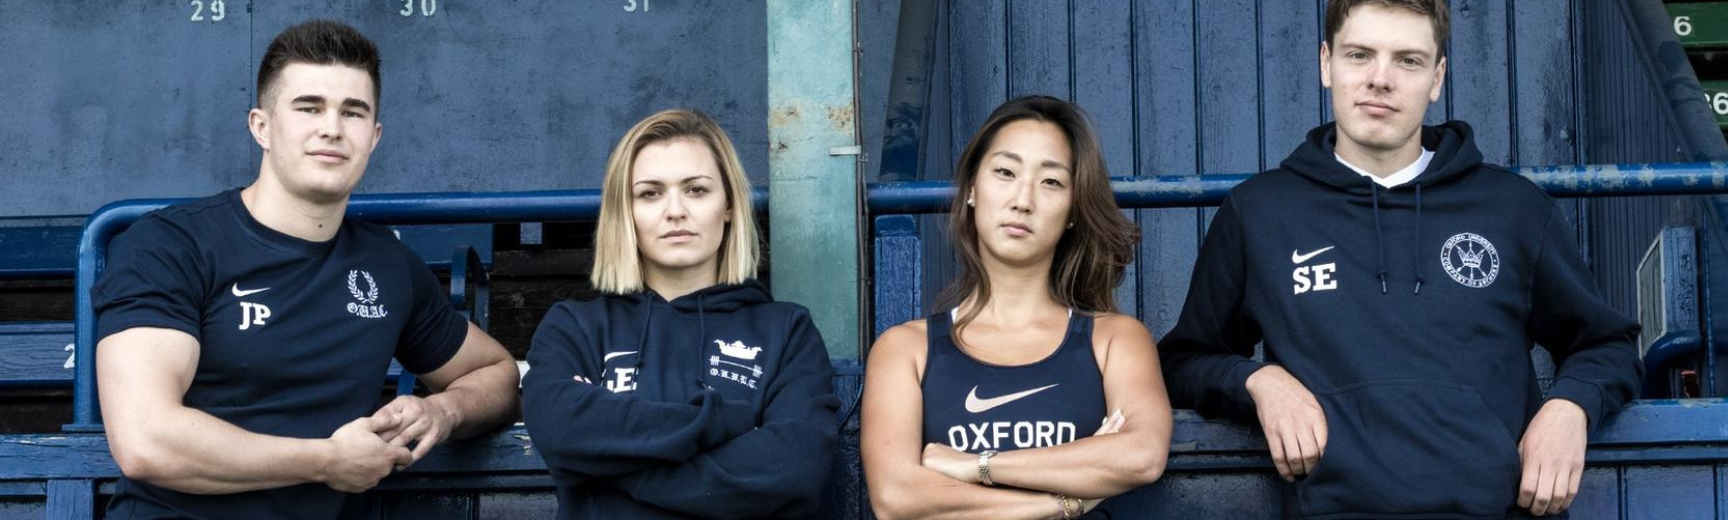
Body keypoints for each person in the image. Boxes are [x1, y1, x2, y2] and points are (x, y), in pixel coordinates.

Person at [1159, 1, 1643, 517]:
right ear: (1327, 64)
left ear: (1437, 77)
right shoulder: (1259, 213)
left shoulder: (1514, 208)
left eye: (1408, 60)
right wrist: (1258, 381)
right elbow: (1185, 361)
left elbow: (1607, 344)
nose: (1380, 79)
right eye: (1359, 55)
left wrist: (1570, 407)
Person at [93, 19, 521, 519]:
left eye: (353, 112)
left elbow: (498, 374)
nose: (332, 128)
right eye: (309, 107)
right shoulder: (173, 244)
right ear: (261, 126)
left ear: (374, 136)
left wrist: (441, 411)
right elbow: (147, 441)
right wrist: (325, 462)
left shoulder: (385, 263)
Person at [861, 95, 1171, 520]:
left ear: (1072, 212)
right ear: (972, 188)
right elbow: (897, 498)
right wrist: (1062, 503)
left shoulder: (1113, 338)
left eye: (1052, 182)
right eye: (1005, 172)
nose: (1023, 200)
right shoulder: (905, 350)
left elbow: (1141, 455)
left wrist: (976, 466)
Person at [520, 108, 839, 520]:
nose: (675, 211)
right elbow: (561, 429)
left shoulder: (787, 330)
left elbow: (792, 470)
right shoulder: (576, 327)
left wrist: (605, 467)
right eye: (650, 193)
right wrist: (720, 420)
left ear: (728, 205)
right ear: (626, 212)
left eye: (696, 190)